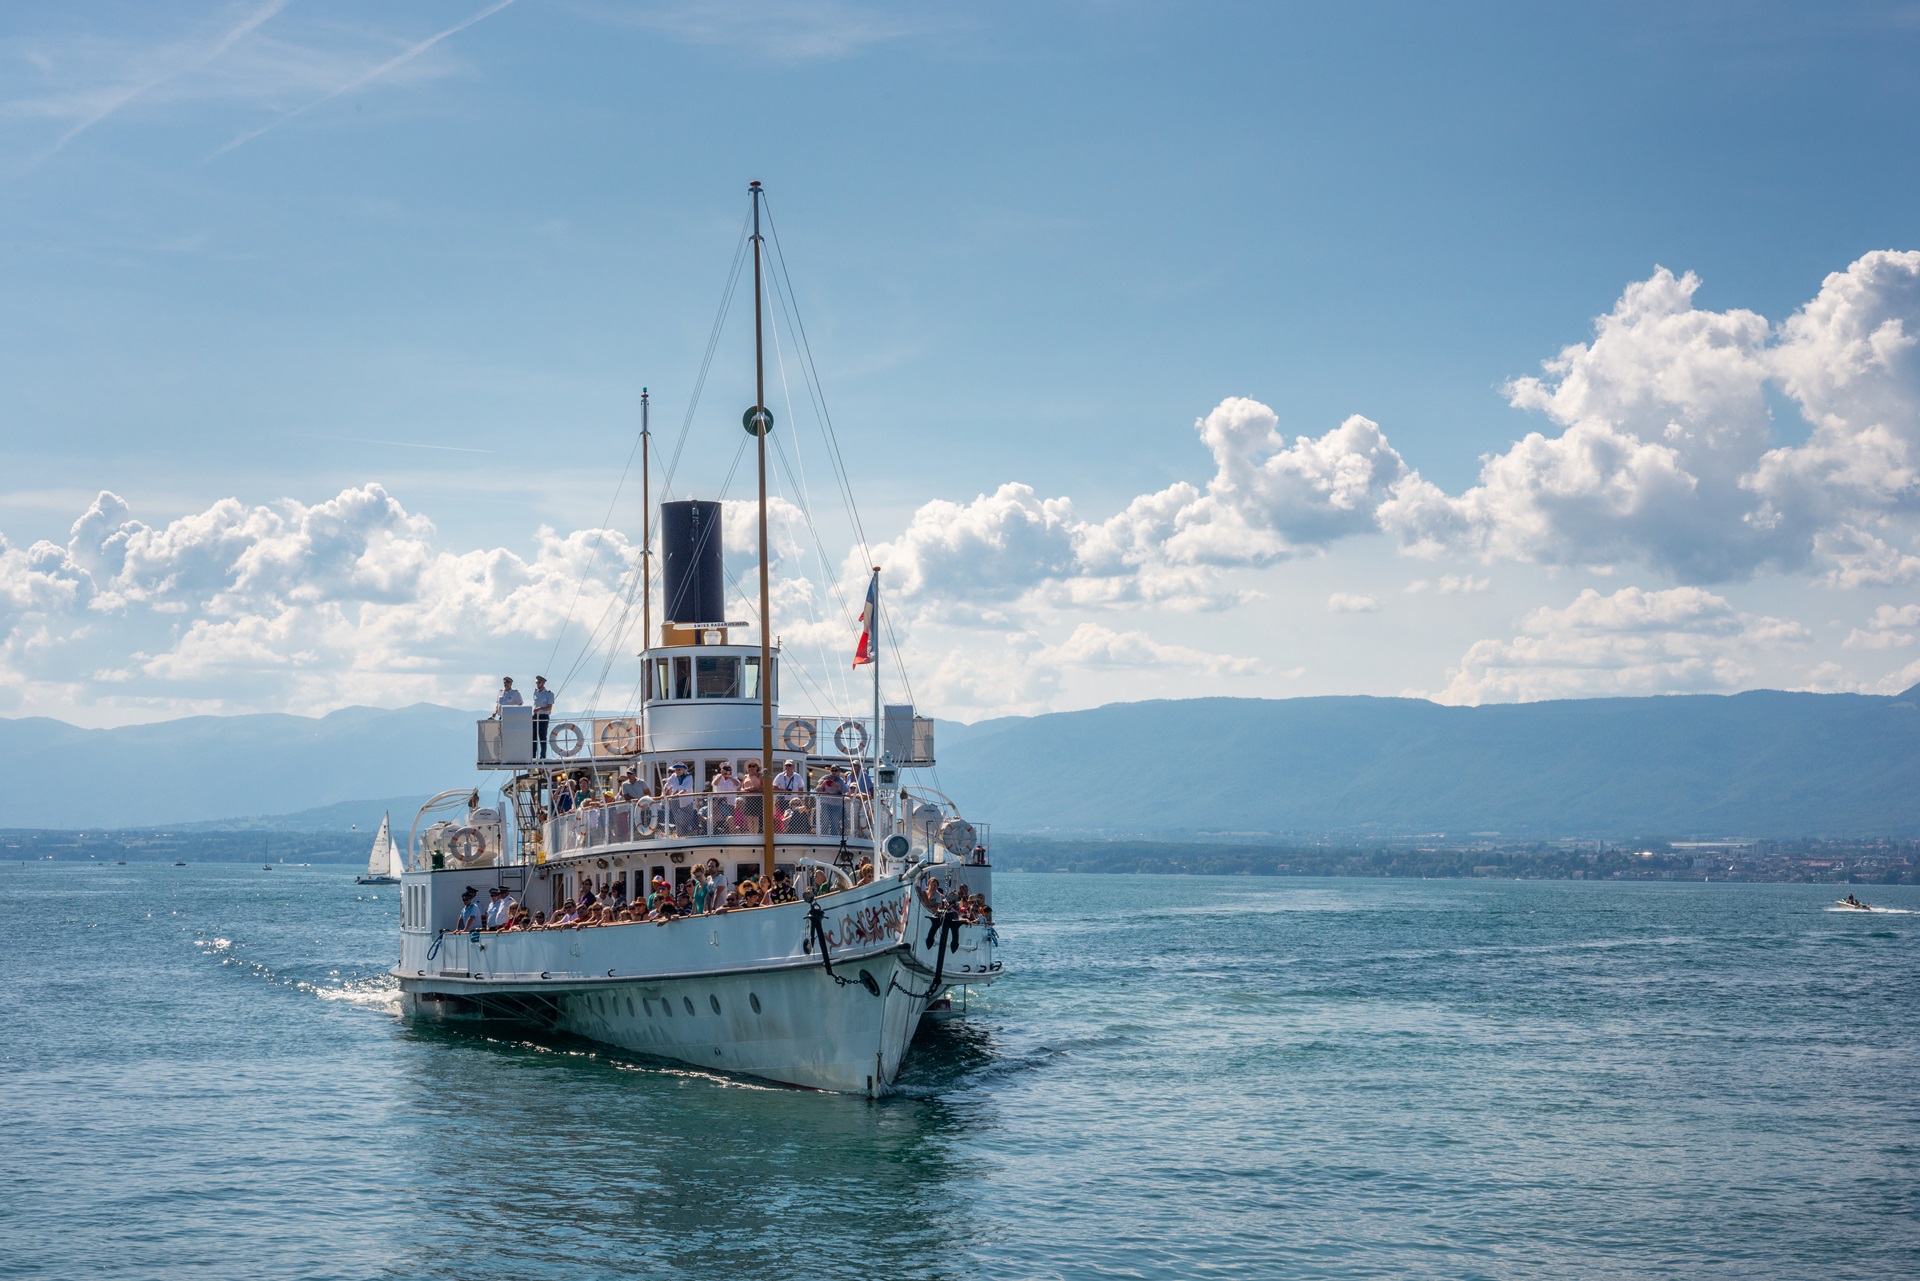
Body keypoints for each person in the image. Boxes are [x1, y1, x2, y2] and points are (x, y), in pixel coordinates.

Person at [773, 759, 806, 833]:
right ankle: (783, 831)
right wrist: (784, 791)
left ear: (793, 766)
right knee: (783, 817)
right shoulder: (780, 776)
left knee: (794, 816)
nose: (788, 767)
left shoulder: (797, 776)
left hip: (794, 801)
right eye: (786, 765)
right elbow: (774, 788)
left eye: (789, 765)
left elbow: (801, 789)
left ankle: (792, 831)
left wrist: (800, 800)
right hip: (783, 800)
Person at [815, 764, 848, 837]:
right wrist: (823, 785)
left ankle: (834, 837)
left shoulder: (840, 781)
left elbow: (845, 791)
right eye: (832, 770)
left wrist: (836, 786)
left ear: (839, 772)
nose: (833, 772)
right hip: (825, 803)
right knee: (825, 821)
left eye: (835, 770)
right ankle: (823, 837)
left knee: (835, 821)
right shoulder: (824, 778)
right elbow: (817, 790)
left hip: (836, 804)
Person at [663, 763, 696, 834]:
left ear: (683, 770)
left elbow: (686, 788)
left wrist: (679, 794)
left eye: (679, 769)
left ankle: (687, 834)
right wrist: (663, 795)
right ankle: (679, 834)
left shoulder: (689, 776)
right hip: (675, 801)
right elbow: (667, 786)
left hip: (687, 801)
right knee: (677, 819)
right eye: (676, 769)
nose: (677, 771)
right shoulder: (673, 776)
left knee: (687, 818)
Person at [710, 762, 740, 834]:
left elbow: (738, 784)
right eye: (725, 769)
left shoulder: (734, 777)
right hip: (718, 804)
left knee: (730, 819)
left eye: (728, 769)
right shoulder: (718, 776)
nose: (726, 770)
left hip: (730, 803)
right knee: (719, 819)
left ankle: (730, 834)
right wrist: (721, 775)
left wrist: (730, 777)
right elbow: (714, 784)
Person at [529, 675, 554, 758]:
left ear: (543, 683)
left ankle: (542, 756)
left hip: (544, 716)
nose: (537, 684)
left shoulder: (549, 694)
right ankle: (533, 756)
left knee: (542, 737)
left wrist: (540, 708)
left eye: (539, 683)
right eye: (537, 683)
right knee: (534, 737)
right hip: (536, 716)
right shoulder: (535, 692)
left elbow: (549, 707)